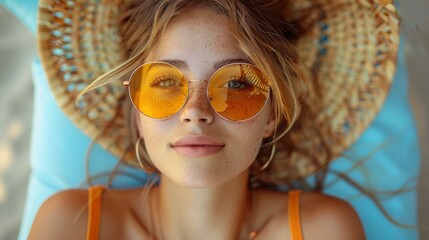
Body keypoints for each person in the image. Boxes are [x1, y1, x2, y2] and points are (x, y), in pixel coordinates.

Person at [27, 0, 401, 239]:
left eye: (236, 83)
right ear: (137, 109)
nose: (195, 112)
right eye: (166, 82)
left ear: (272, 113)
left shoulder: (322, 230)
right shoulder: (70, 224)